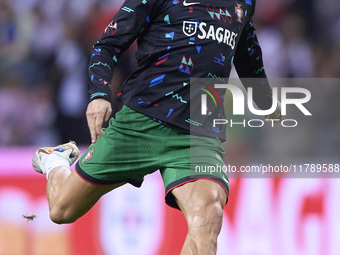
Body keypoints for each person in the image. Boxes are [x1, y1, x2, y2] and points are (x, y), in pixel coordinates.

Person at [32, 0, 281, 254]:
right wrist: (98, 95)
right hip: (140, 121)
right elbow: (108, 43)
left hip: (198, 133)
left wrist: (265, 100)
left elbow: (247, 52)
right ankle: (55, 162)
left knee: (209, 215)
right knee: (62, 210)